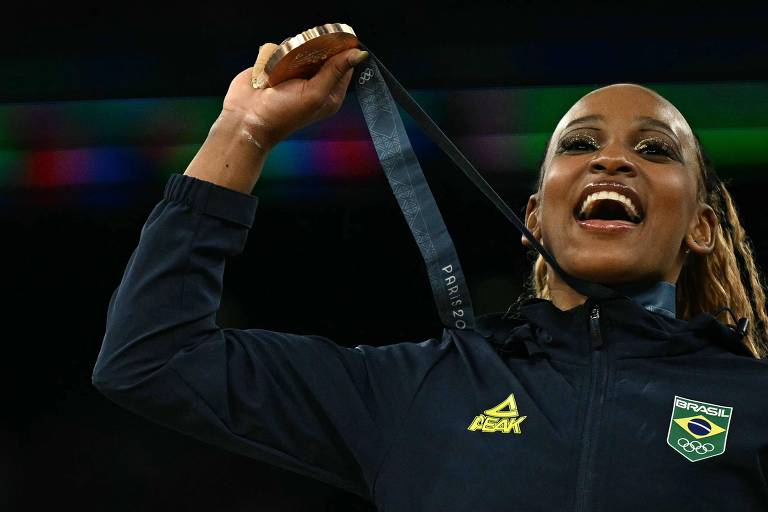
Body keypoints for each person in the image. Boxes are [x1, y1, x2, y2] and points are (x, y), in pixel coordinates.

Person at [92, 42, 768, 511]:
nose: (610, 162)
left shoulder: (756, 403)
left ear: (702, 226)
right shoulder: (418, 390)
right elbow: (151, 356)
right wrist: (243, 130)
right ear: (535, 213)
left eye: (652, 149)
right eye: (580, 144)